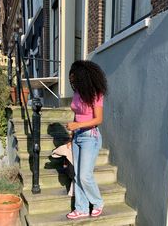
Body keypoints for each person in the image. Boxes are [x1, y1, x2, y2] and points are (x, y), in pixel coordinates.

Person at [66, 60, 108, 219]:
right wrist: (72, 137)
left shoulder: (96, 94)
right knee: (77, 175)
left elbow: (98, 119)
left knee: (85, 175)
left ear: (83, 76)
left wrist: (77, 125)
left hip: (91, 136)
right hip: (77, 137)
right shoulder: (77, 93)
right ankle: (81, 208)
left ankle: (98, 202)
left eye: (74, 76)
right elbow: (77, 114)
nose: (72, 79)